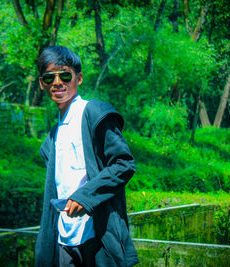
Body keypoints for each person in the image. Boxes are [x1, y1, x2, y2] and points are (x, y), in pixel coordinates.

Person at [35, 46, 139, 267]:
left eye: (64, 75)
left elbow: (124, 163)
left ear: (78, 78)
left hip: (97, 236)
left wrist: (85, 197)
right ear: (42, 84)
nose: (57, 82)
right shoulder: (53, 137)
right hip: (64, 239)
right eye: (49, 78)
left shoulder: (94, 113)